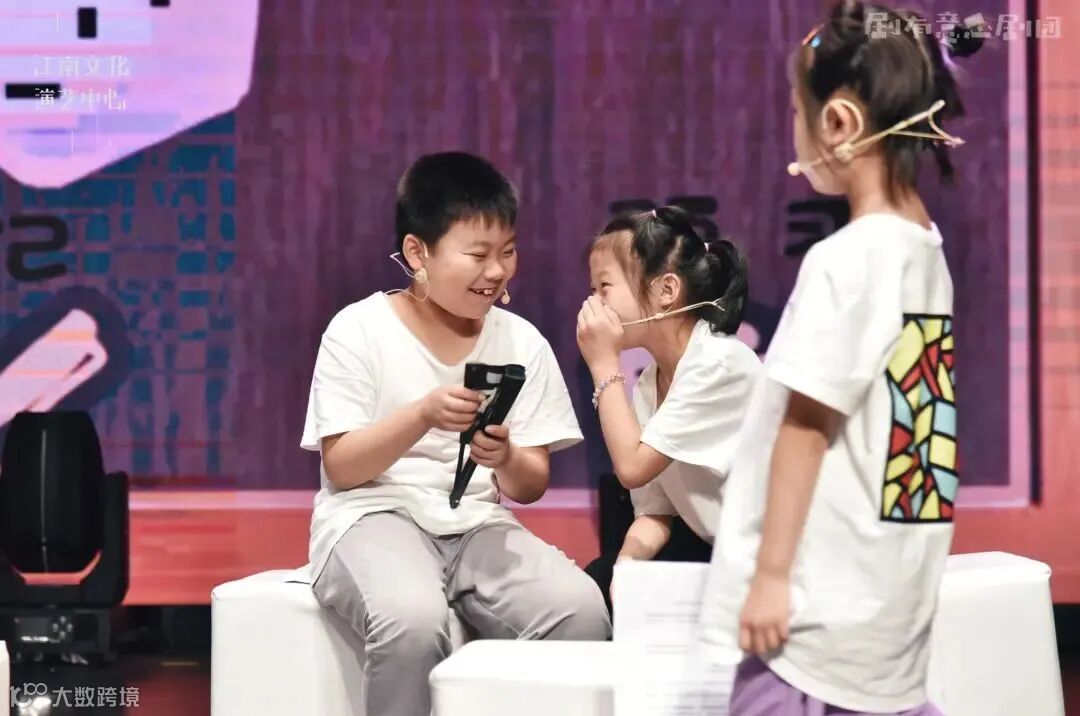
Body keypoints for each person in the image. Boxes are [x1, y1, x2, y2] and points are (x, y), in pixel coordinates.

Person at [698, 2, 982, 714]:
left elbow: (805, 425)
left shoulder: (849, 260)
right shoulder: (924, 252)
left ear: (839, 123)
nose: (793, 127)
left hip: (815, 609)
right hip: (887, 596)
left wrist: (771, 576)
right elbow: (917, 452)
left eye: (797, 110)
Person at [302, 151, 611, 716]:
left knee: (580, 612)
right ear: (417, 253)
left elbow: (530, 485)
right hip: (370, 516)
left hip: (476, 525)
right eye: (478, 254)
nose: (497, 271)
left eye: (507, 252)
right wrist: (422, 414)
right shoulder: (358, 329)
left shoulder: (522, 341)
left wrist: (506, 455)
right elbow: (342, 467)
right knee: (412, 620)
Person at [576, 205, 762, 613]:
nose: (592, 304)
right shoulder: (650, 382)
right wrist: (627, 567)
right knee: (596, 585)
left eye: (603, 287)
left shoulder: (720, 364)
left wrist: (604, 365)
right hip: (709, 547)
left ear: (666, 291)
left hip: (765, 560)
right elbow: (656, 511)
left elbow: (632, 468)